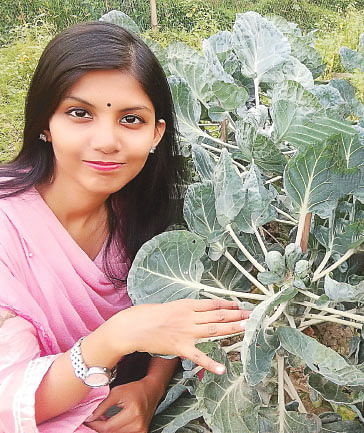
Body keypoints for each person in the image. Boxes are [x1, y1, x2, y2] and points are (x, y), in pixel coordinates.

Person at [0, 21, 250, 432]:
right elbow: (11, 405)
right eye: (80, 113)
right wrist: (113, 339)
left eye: (131, 120)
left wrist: (150, 388)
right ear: (46, 122)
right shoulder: (9, 225)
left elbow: (171, 319)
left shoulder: (147, 213)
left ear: (157, 134)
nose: (106, 141)